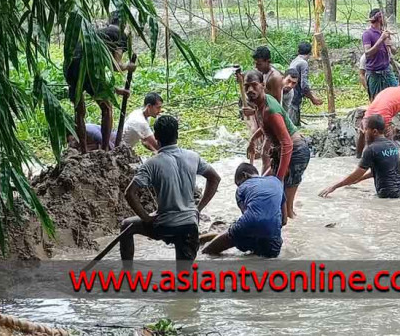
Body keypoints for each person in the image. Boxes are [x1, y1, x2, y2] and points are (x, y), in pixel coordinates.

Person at [121, 115, 221, 264]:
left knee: (126, 225)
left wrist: (146, 218)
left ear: (156, 136)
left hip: (164, 225)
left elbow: (129, 193)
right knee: (184, 281)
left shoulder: (151, 163)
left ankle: (127, 275)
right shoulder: (193, 156)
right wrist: (197, 209)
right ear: (177, 135)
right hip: (189, 226)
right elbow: (215, 179)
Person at [244, 71, 310, 220]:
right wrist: (252, 141)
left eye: (254, 86)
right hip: (283, 151)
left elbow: (287, 143)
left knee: (286, 207)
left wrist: (279, 178)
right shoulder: (259, 104)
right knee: (263, 185)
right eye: (246, 86)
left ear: (262, 85)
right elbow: (265, 127)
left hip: (296, 152)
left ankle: (294, 233)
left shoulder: (270, 110)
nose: (250, 90)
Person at [64, 24, 134, 153]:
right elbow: (115, 65)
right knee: (106, 108)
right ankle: (105, 148)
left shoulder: (99, 34)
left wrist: (115, 90)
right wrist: (127, 66)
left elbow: (97, 77)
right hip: (87, 67)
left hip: (70, 67)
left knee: (79, 111)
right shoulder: (121, 37)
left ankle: (84, 150)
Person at [203, 163, 285, 258]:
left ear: (244, 175)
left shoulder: (241, 188)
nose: (239, 186)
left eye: (238, 183)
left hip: (249, 225)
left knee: (208, 252)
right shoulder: (276, 182)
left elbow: (249, 219)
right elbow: (284, 220)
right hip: (272, 234)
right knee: (264, 257)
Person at [319, 114, 400, 199]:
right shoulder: (392, 145)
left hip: (388, 193)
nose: (364, 132)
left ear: (374, 131)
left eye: (366, 129)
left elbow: (357, 173)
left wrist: (334, 187)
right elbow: (380, 170)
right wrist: (358, 180)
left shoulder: (371, 149)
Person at [355, 71, 400, 157]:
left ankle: (358, 157)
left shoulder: (388, 89)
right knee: (390, 152)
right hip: (383, 120)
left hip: (367, 116)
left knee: (364, 136)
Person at [362, 9, 397, 101]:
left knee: (396, 96)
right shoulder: (367, 34)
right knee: (375, 100)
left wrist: (389, 44)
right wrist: (381, 40)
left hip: (387, 70)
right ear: (379, 18)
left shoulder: (384, 33)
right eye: (383, 17)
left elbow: (394, 51)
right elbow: (368, 53)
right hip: (374, 73)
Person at [288, 42, 323, 126]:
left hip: (290, 96)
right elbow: (304, 85)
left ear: (298, 51)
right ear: (310, 53)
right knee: (293, 127)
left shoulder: (295, 61)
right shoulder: (303, 63)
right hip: (294, 98)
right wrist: (312, 99)